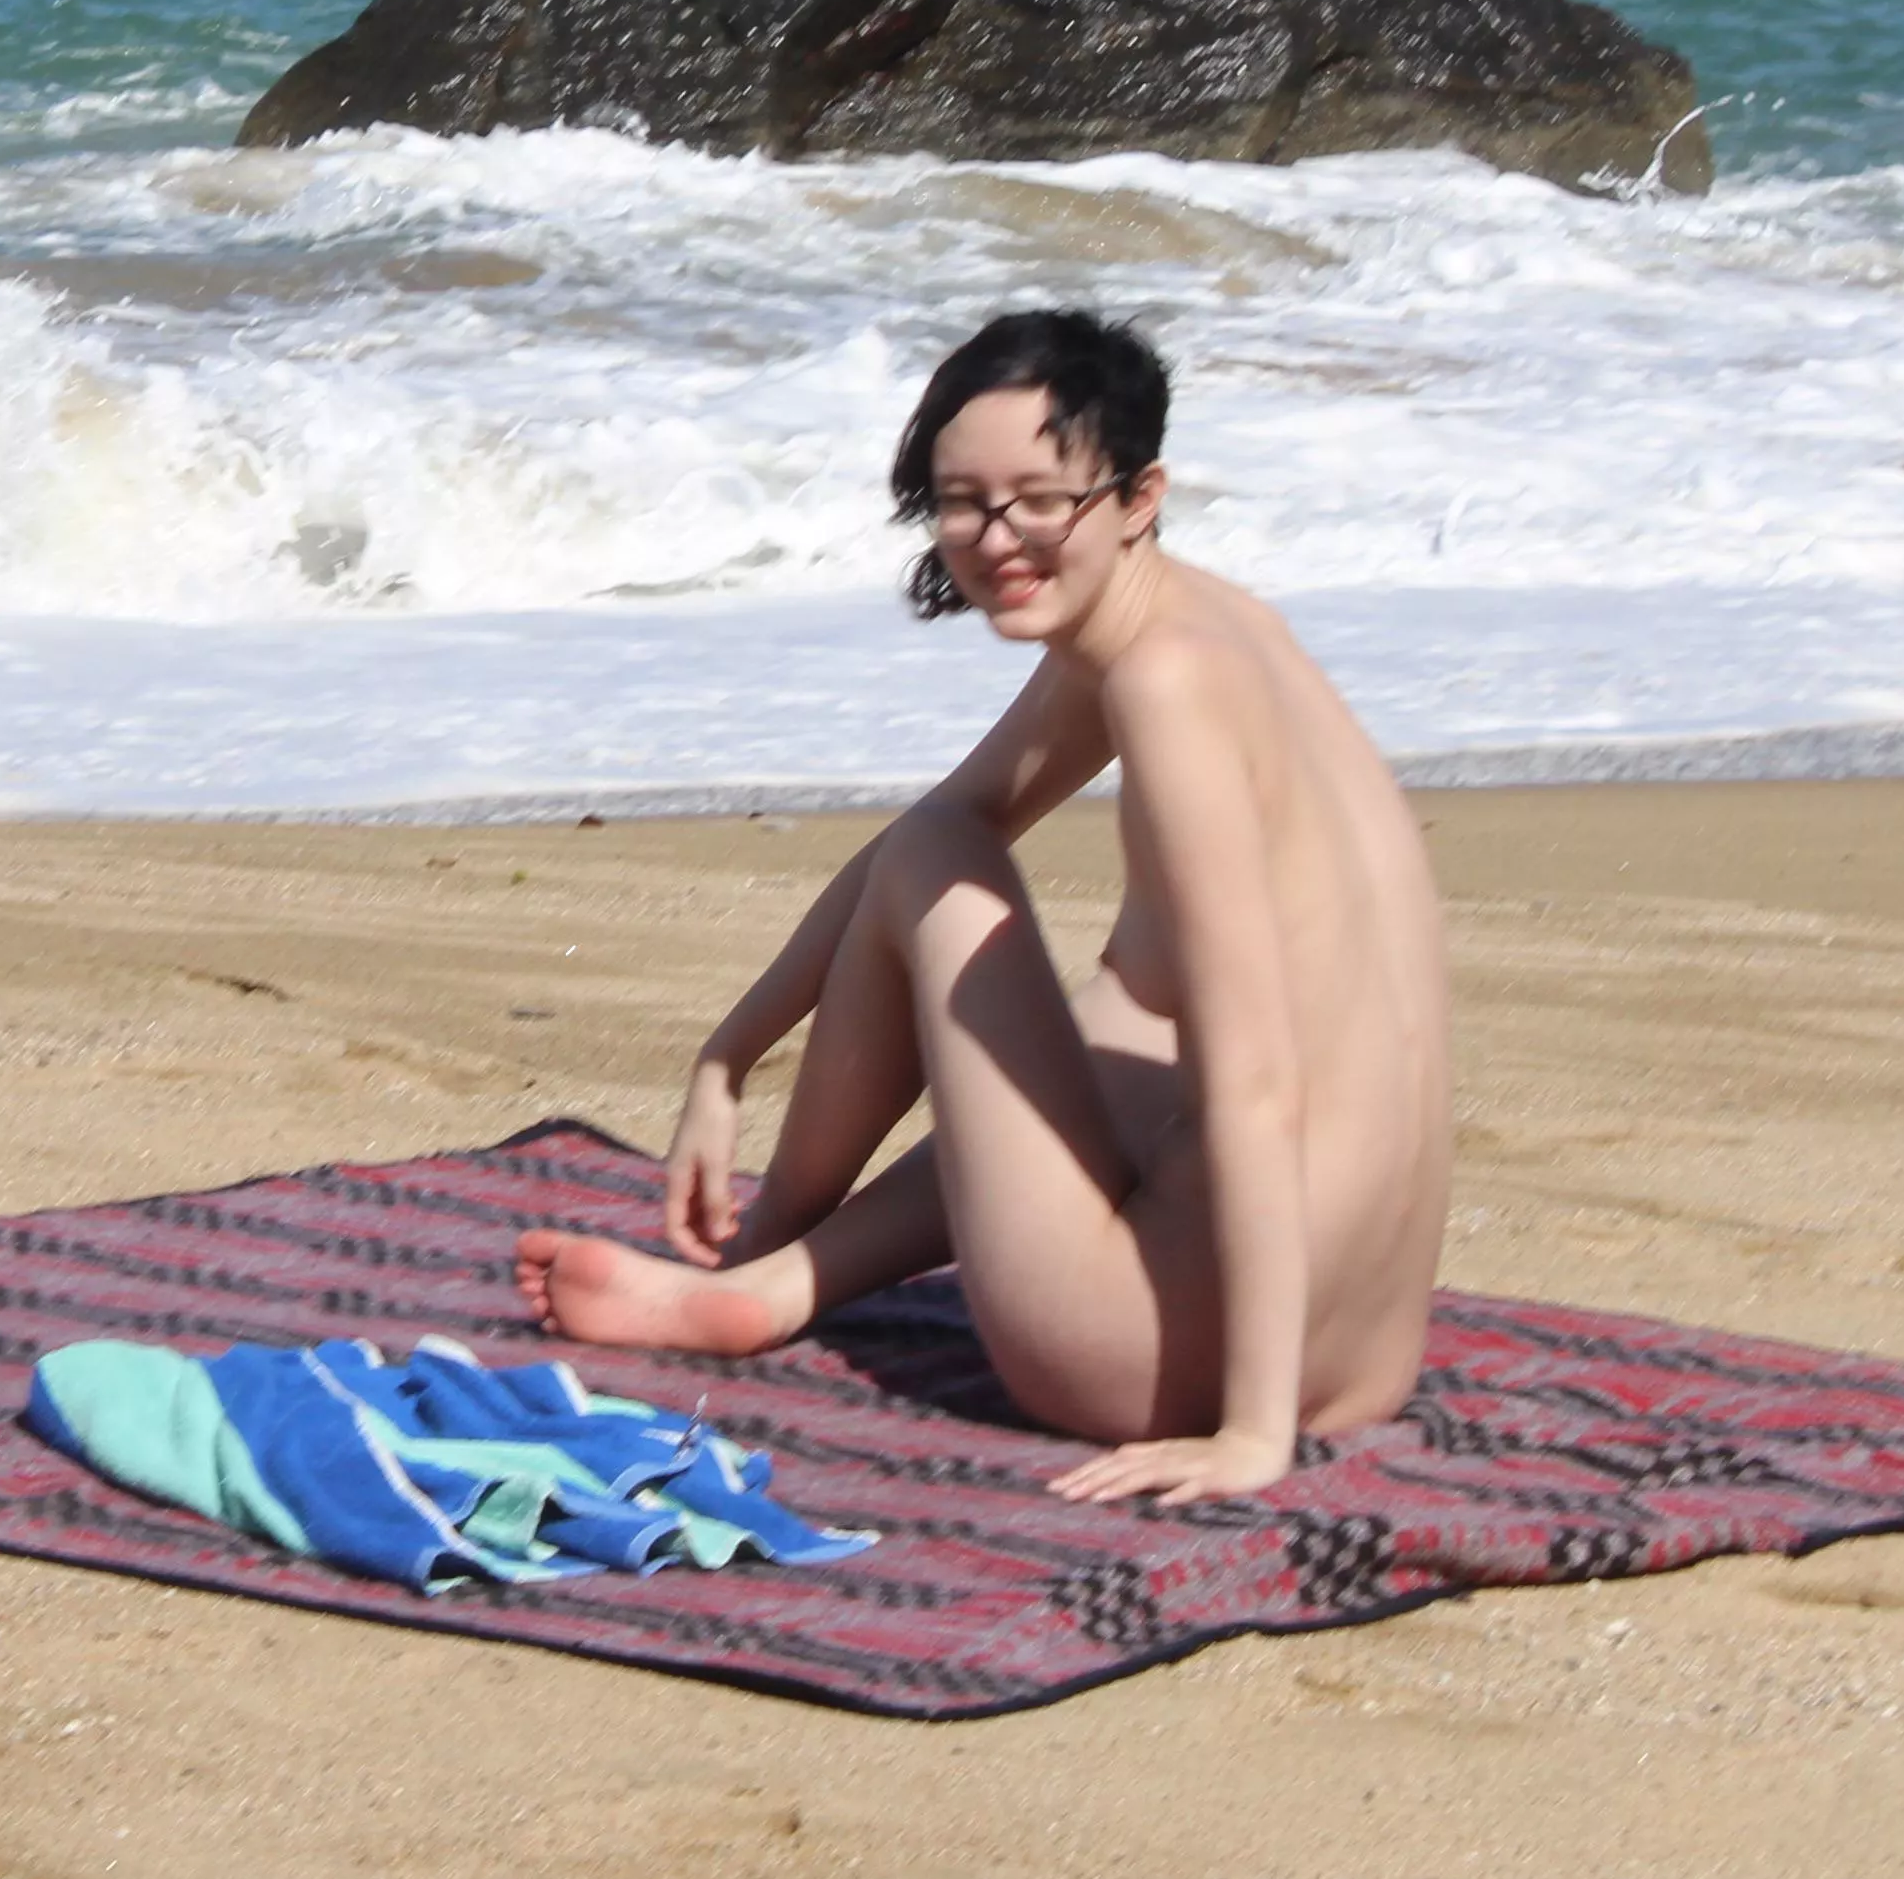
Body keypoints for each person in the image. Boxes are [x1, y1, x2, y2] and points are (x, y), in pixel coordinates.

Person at [515, 309, 1451, 1502]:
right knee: (1117, 1013)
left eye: (1039, 500)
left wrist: (1252, 1437)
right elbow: (967, 804)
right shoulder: (1207, 627)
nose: (997, 538)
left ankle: (752, 1263)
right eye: (964, 502)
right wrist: (729, 1054)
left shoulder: (1166, 688)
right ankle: (773, 1286)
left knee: (936, 868)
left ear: (1136, 495)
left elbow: (1255, 1087)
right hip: (1371, 1357)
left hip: (1154, 1364)